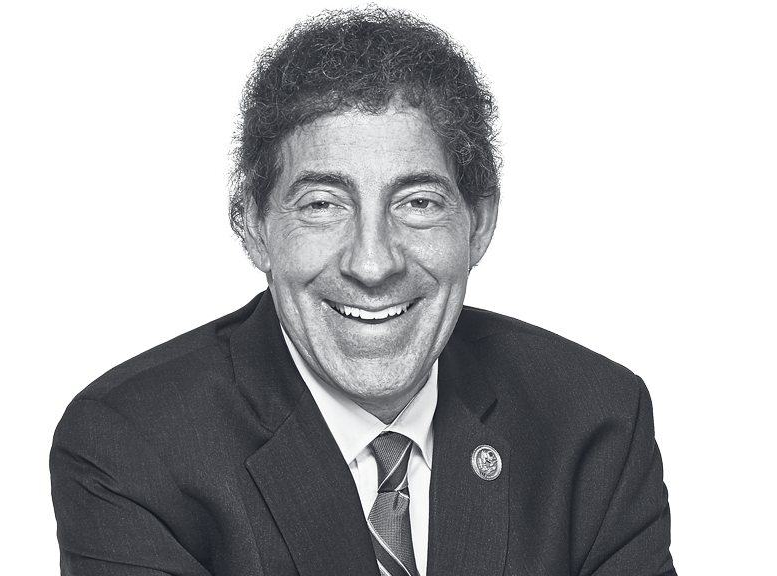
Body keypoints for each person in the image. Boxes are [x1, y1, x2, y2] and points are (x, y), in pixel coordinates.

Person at [49, 6, 676, 576]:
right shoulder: (132, 446)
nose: (373, 264)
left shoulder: (594, 421)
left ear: (479, 224)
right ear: (252, 228)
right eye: (322, 204)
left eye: (418, 202)